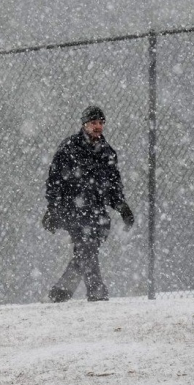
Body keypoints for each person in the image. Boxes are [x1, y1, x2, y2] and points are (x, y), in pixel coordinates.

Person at [43, 105, 134, 302]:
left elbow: (113, 187)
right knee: (86, 246)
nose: (98, 126)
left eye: (101, 123)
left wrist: (122, 207)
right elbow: (54, 181)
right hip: (72, 209)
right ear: (84, 125)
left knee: (86, 250)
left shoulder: (108, 153)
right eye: (94, 123)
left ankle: (61, 291)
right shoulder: (69, 148)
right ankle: (96, 290)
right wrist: (52, 209)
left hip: (97, 212)